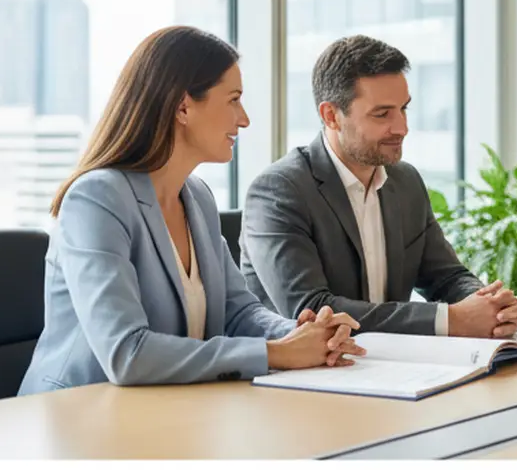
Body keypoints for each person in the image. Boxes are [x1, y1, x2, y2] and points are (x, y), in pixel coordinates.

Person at [18, 26, 365, 396]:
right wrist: (276, 353)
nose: (244, 119)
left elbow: (238, 312)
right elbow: (126, 353)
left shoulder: (196, 197)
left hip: (168, 411)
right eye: (233, 100)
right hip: (78, 419)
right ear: (183, 106)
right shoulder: (96, 199)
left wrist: (302, 334)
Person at [239, 35, 517, 337]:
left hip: (390, 369)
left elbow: (446, 277)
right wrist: (451, 320)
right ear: (331, 116)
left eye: (404, 109)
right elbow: (311, 309)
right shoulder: (278, 191)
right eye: (382, 114)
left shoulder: (406, 182)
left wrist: (489, 306)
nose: (402, 127)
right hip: (302, 374)